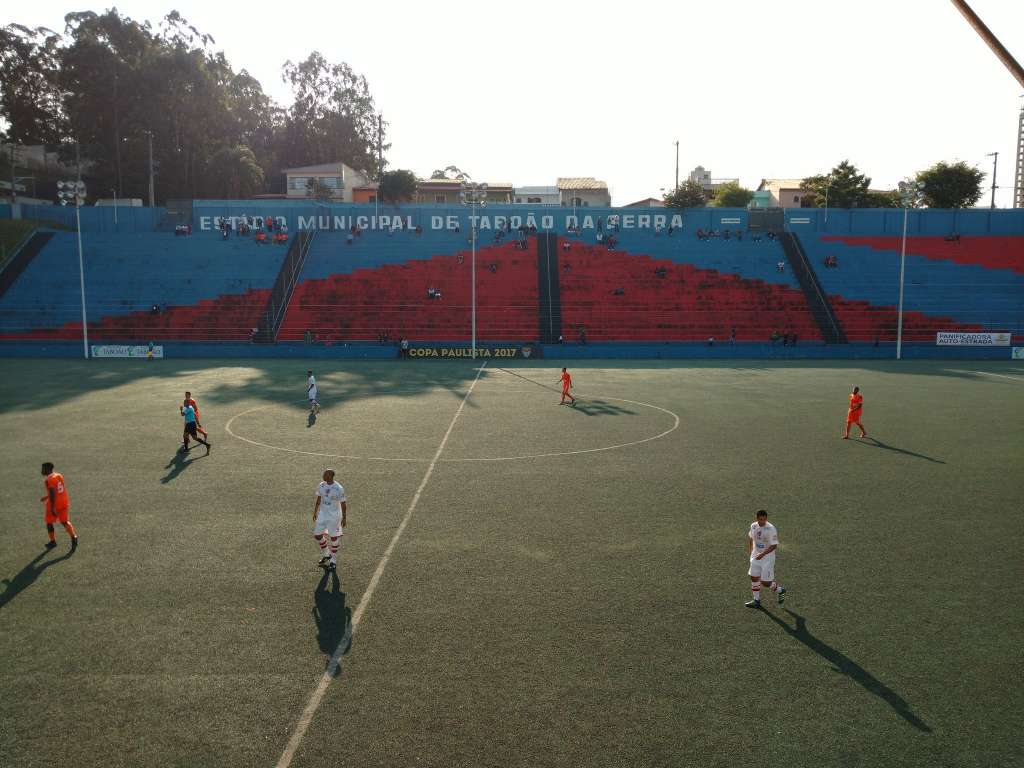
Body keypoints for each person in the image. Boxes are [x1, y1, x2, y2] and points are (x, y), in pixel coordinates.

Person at [745, 509, 786, 608]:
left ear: (766, 519)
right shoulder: (753, 526)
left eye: (764, 519)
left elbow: (774, 546)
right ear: (757, 518)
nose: (762, 521)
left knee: (766, 583)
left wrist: (762, 554)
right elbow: (751, 537)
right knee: (754, 577)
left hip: (767, 558)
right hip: (756, 556)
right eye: (760, 519)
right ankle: (756, 601)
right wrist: (750, 551)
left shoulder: (771, 529)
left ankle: (780, 590)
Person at [312, 469, 347, 572]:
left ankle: (333, 561)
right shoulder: (321, 485)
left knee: (334, 538)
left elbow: (343, 504)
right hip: (323, 514)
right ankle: (327, 554)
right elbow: (319, 499)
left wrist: (344, 517)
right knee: (317, 535)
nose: (323, 475)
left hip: (334, 516)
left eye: (325, 474)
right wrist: (315, 512)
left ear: (330, 476)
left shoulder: (338, 488)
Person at [40, 462, 78, 551]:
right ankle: (74, 537)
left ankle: (53, 541)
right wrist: (47, 496)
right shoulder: (58, 475)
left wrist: (52, 507)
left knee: (49, 522)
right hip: (64, 501)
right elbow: (58, 489)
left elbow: (53, 493)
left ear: (48, 469)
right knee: (65, 521)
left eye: (43, 469)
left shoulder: (49, 480)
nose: (42, 471)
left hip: (54, 503)